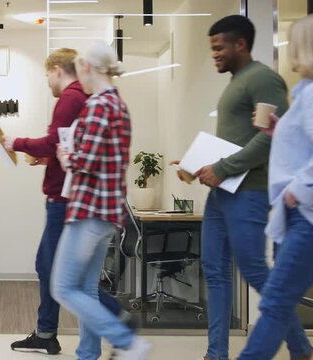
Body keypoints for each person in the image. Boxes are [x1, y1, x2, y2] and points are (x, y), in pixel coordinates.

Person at [175, 15, 311, 360]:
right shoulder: (237, 81)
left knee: (254, 270)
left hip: (250, 190)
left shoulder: (263, 78)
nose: (215, 54)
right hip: (224, 193)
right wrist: (195, 165)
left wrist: (221, 168)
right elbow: (241, 139)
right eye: (212, 48)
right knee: (215, 271)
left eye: (219, 47)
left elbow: (271, 140)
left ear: (241, 44)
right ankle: (216, 353)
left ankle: (300, 347)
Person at [3, 48, 130, 355]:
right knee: (76, 282)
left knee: (61, 280)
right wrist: (52, 158)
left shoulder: (83, 101)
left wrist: (18, 144)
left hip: (79, 204)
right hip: (92, 205)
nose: (47, 80)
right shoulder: (107, 103)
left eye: (47, 73)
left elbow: (79, 155)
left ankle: (121, 328)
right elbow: (84, 149)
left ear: (61, 69)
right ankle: (80, 345)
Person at [52, 41, 149, 360]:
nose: (81, 81)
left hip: (89, 211)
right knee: (88, 291)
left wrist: (66, 156)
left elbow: (86, 161)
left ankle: (125, 341)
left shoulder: (98, 105)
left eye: (81, 73)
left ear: (89, 69)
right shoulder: (119, 104)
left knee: (63, 288)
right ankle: (87, 354)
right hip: (108, 212)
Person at [237, 14, 313, 360]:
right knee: (279, 300)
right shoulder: (304, 95)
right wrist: (279, 129)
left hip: (304, 214)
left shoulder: (311, 96)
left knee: (276, 300)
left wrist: (302, 187)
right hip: (294, 213)